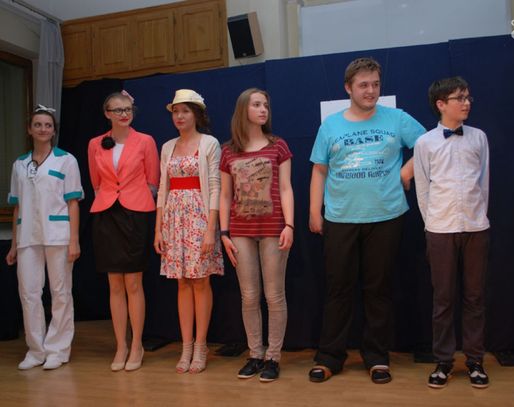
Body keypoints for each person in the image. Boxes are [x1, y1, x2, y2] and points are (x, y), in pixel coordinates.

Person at [308, 57, 425, 383]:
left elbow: (429, 146)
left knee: (378, 290)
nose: (370, 91)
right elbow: (319, 170)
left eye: (375, 84)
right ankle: (329, 357)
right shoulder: (331, 126)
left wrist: (406, 171)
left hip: (387, 216)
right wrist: (314, 211)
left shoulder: (396, 118)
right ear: (348, 88)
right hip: (340, 217)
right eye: (363, 85)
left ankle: (376, 358)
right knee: (338, 290)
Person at [414, 77, 490, 389]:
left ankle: (475, 360)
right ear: (441, 104)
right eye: (460, 98)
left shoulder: (479, 138)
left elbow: (483, 182)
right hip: (440, 229)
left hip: (475, 227)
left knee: (474, 297)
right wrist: (433, 223)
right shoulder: (425, 143)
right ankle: (443, 361)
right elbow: (422, 188)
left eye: (468, 97)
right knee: (443, 299)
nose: (467, 102)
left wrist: (478, 216)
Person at [219, 88, 294, 382]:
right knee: (249, 296)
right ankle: (255, 353)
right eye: (257, 105)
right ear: (243, 110)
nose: (263, 109)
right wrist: (223, 232)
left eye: (266, 105)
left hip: (274, 230)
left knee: (274, 296)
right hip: (240, 232)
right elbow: (225, 195)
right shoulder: (229, 151)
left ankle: (273, 357)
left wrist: (289, 225)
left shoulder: (278, 146)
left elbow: (286, 188)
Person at [6, 105, 83, 370]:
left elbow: (73, 202)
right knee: (29, 293)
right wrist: (14, 244)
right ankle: (36, 350)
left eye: (48, 125)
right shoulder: (19, 165)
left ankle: (57, 350)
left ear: (53, 130)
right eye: (37, 124)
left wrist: (74, 240)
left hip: (58, 236)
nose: (43, 129)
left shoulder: (66, 160)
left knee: (60, 293)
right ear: (29, 129)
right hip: (27, 236)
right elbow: (18, 207)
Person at [88, 91, 159, 372]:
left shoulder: (146, 141)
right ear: (107, 113)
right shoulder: (95, 144)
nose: (124, 114)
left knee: (133, 283)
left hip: (135, 214)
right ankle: (121, 345)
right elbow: (95, 183)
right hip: (106, 215)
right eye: (118, 110)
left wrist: (135, 201)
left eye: (128, 109)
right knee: (114, 284)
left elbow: (153, 181)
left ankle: (137, 344)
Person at [154, 89, 224, 374]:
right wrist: (158, 229)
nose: (179, 116)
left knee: (200, 281)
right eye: (176, 111)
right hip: (174, 218)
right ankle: (186, 346)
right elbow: (162, 188)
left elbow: (215, 186)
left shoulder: (209, 143)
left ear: (196, 114)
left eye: (185, 111)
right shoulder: (167, 146)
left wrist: (211, 229)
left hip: (199, 217)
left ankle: (201, 346)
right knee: (182, 282)